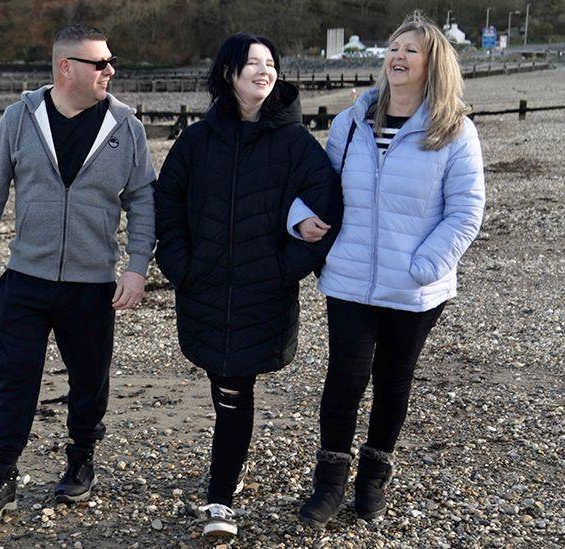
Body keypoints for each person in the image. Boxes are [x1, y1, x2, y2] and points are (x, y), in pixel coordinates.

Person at [295, 13, 486, 528]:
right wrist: (301, 220)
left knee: (394, 380)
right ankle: (329, 482)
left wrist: (425, 266)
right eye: (394, 48)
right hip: (350, 279)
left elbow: (466, 211)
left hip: (416, 287)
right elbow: (319, 189)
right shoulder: (351, 122)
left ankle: (374, 478)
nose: (398, 56)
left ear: (433, 64)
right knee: (345, 379)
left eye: (412, 50)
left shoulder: (454, 130)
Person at [0, 24, 156, 520]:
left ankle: (80, 462)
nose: (110, 71)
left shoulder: (125, 127)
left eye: (111, 61)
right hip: (25, 279)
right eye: (101, 63)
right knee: (14, 380)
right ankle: (3, 475)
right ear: (67, 68)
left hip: (93, 286)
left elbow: (144, 201)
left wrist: (135, 268)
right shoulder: (19, 119)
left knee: (90, 380)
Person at [154, 33, 342, 539]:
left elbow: (326, 205)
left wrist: (288, 266)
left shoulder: (296, 142)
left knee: (235, 387)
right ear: (228, 74)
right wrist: (178, 263)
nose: (264, 71)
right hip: (205, 286)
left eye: (270, 64)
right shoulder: (197, 140)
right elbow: (166, 200)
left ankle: (220, 500)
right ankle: (230, 467)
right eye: (252, 64)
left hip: (264, 289)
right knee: (225, 383)